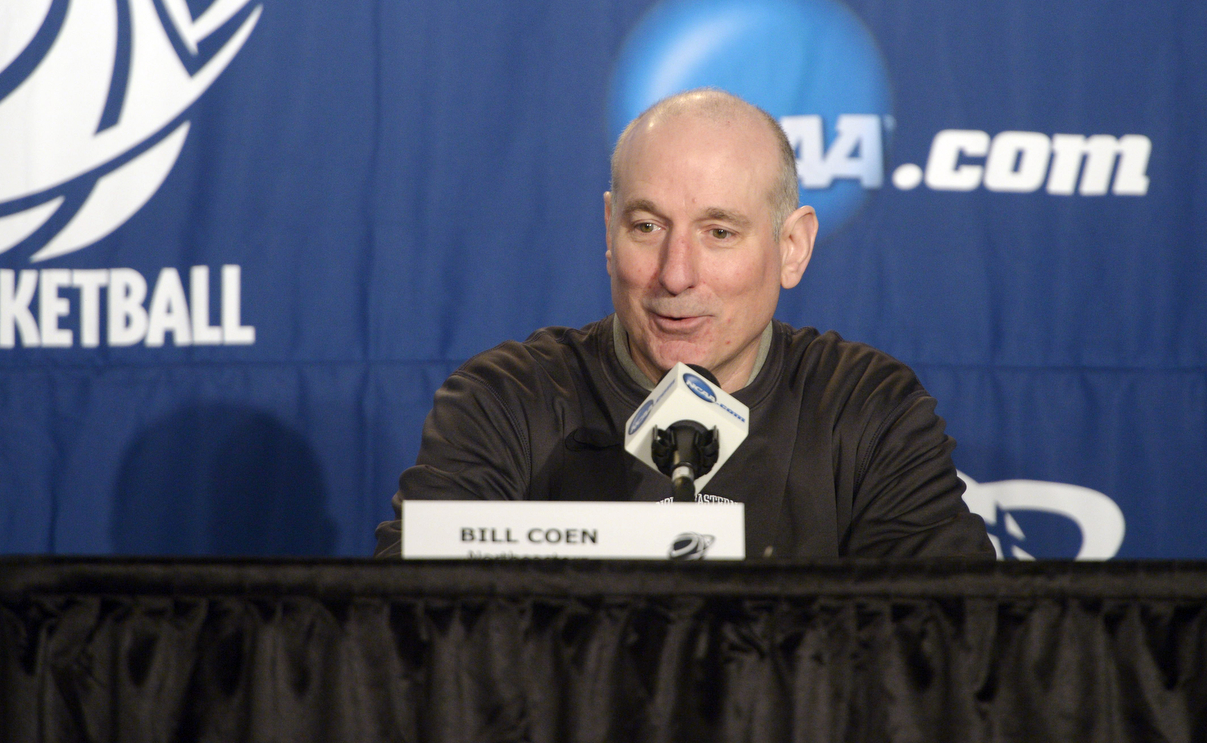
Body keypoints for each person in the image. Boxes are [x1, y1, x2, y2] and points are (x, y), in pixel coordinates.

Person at [374, 89, 992, 559]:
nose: (675, 275)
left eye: (719, 233)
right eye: (647, 227)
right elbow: (409, 631)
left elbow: (949, 646)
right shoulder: (506, 400)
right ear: (610, 233)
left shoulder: (868, 409)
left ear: (794, 248)